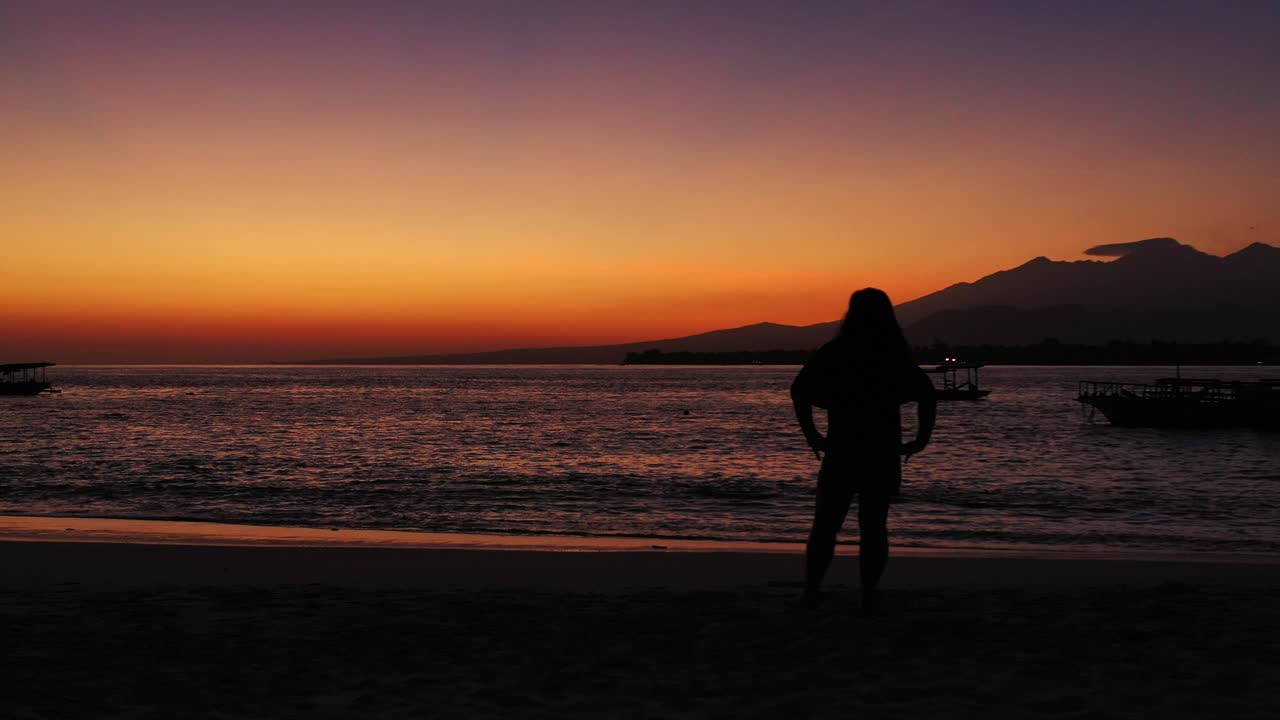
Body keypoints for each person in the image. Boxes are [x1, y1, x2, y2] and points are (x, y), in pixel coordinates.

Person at [790, 288, 936, 612]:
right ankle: (867, 595)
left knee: (826, 524)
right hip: (881, 452)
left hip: (842, 450)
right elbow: (927, 396)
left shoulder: (837, 351)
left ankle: (811, 592)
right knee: (873, 526)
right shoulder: (893, 355)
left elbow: (799, 392)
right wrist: (921, 438)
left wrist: (812, 435)